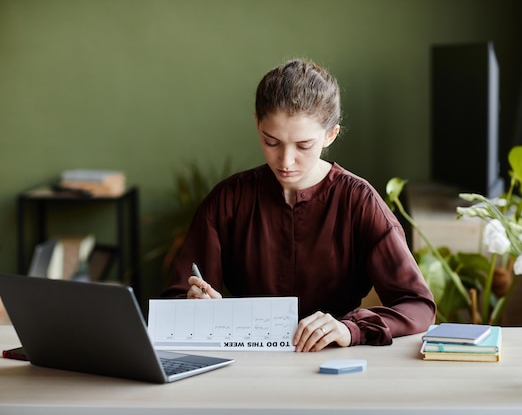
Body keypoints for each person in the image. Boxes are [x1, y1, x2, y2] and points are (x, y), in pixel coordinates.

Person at [163, 59, 436, 352]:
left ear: (330, 134)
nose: (286, 161)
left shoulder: (359, 201)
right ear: (257, 123)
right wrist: (195, 305)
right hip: (247, 364)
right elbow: (179, 298)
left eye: (304, 146)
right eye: (272, 142)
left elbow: (418, 305)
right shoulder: (228, 200)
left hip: (334, 362)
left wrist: (350, 327)